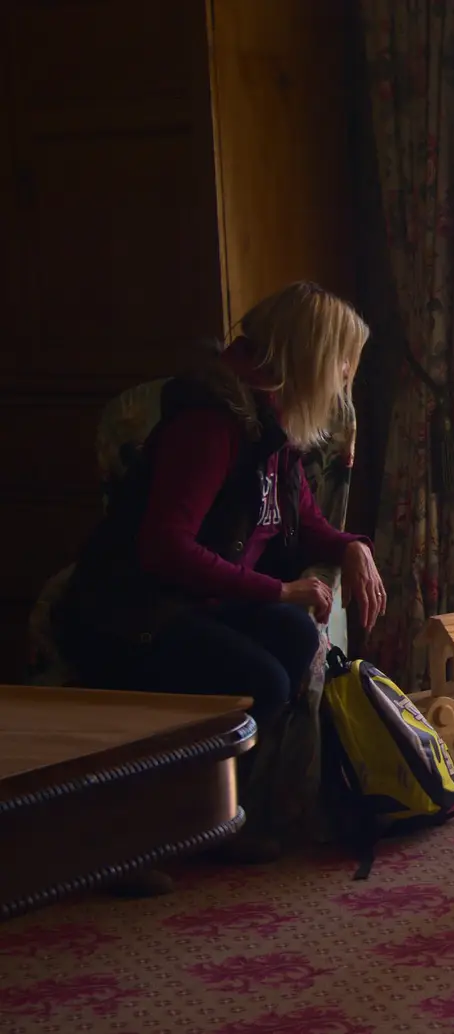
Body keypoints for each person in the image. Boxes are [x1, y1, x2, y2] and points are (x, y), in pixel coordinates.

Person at [56, 282, 387, 866]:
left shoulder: (271, 417)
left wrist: (353, 546)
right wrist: (278, 589)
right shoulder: (212, 424)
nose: (342, 379)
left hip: (197, 601)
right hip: (131, 611)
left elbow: (303, 518)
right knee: (265, 679)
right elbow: (164, 550)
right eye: (341, 362)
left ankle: (215, 813)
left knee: (292, 638)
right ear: (308, 356)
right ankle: (142, 836)